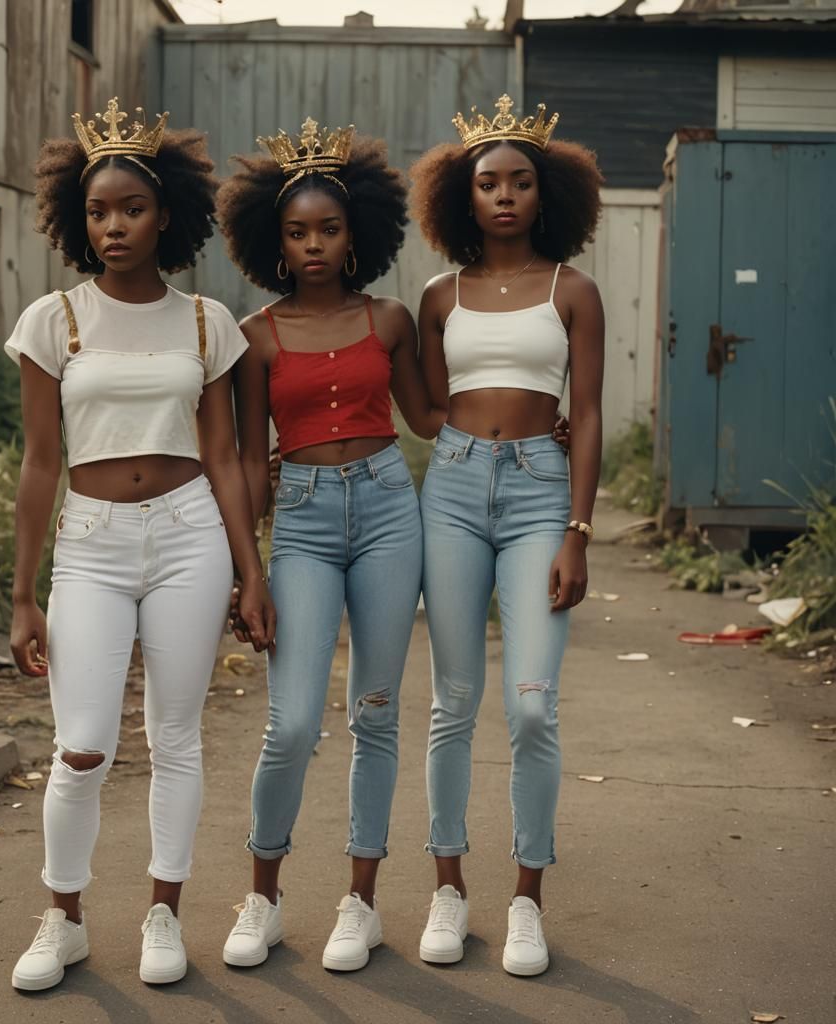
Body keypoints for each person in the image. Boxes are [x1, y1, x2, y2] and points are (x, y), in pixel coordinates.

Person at [4, 97, 274, 991]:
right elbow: (42, 465)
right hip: (90, 545)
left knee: (176, 738)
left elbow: (226, 458)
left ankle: (164, 913)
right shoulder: (54, 320)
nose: (113, 225)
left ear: (169, 217)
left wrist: (250, 572)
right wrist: (22, 593)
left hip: (191, 534)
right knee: (82, 745)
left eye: (131, 209)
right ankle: (64, 918)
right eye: (97, 211)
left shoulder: (206, 322)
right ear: (77, 221)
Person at [215, 119, 442, 972]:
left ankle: (361, 903)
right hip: (303, 522)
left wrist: (525, 410)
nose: (314, 245)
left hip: (390, 509)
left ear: (358, 235)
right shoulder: (256, 335)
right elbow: (245, 456)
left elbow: (426, 417)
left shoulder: (388, 320)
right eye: (297, 232)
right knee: (293, 722)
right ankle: (262, 899)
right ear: (273, 240)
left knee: (375, 716)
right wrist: (250, 573)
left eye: (329, 229)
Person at [409, 95, 604, 976]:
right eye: (489, 183)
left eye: (521, 182)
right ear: (464, 196)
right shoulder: (437, 295)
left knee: (531, 704)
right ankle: (448, 887)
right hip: (450, 488)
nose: (505, 197)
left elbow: (589, 415)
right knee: (453, 702)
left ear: (546, 193)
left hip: (538, 495)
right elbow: (420, 406)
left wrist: (579, 528)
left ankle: (527, 898)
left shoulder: (574, 291)